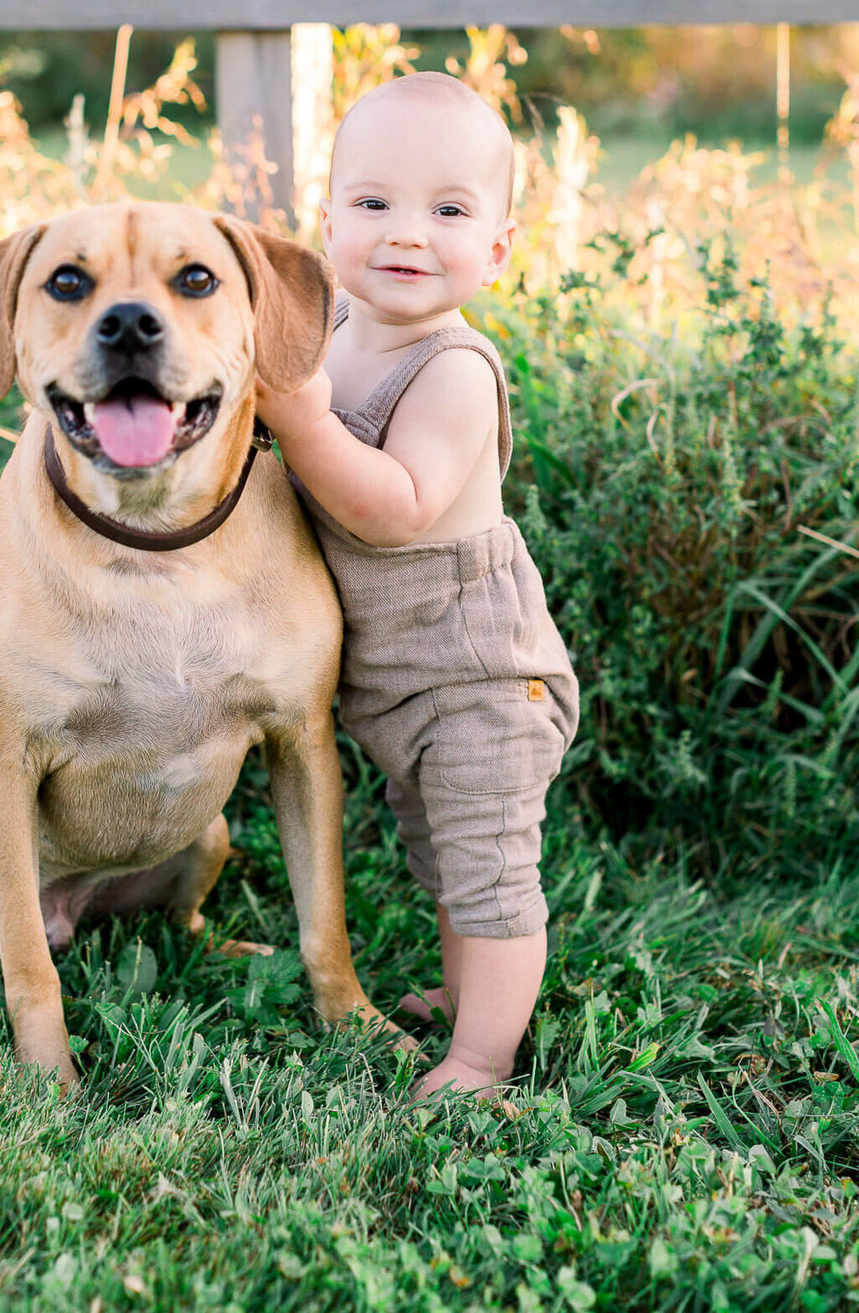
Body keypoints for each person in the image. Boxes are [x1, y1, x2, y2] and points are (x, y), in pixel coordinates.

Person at [255, 72, 578, 1099]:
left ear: (496, 248)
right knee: (441, 853)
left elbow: (395, 504)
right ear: (328, 220)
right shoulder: (336, 333)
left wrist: (300, 424)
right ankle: (465, 989)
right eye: (375, 202)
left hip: (482, 679)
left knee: (486, 873)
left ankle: (482, 1057)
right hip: (399, 686)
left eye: (447, 209)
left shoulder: (453, 371)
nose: (406, 232)